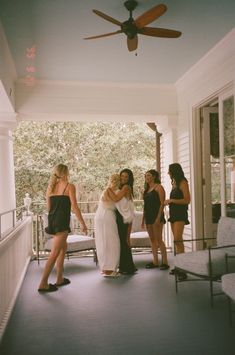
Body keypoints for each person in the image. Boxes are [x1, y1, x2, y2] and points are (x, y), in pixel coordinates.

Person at [38, 164, 87, 292]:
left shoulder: (50, 187)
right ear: (66, 173)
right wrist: (82, 223)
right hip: (61, 221)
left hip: (53, 220)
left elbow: (49, 208)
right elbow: (74, 207)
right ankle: (43, 283)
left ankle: (60, 278)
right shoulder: (69, 186)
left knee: (62, 248)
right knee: (54, 253)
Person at [108, 168, 137, 275]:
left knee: (123, 241)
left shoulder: (126, 187)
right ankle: (125, 266)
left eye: (126, 177)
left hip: (124, 218)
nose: (123, 178)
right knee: (121, 241)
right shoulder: (120, 187)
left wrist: (108, 189)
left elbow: (115, 199)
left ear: (129, 179)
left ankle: (127, 267)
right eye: (122, 176)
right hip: (120, 216)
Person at [164, 163, 190, 280]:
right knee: (177, 242)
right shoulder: (174, 183)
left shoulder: (183, 182)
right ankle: (179, 266)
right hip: (173, 214)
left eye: (170, 171)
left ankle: (183, 269)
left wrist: (172, 200)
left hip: (180, 214)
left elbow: (187, 200)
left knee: (177, 240)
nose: (168, 173)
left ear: (174, 171)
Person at [94, 174, 121, 277]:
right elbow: (117, 203)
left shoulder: (106, 190)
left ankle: (104, 268)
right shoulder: (117, 192)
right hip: (108, 216)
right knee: (112, 241)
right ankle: (110, 269)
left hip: (99, 215)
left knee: (102, 241)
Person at [142, 169, 169, 270]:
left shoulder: (159, 187)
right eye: (145, 176)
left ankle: (165, 262)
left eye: (148, 176)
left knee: (159, 240)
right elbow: (145, 206)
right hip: (148, 217)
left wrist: (158, 218)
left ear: (154, 176)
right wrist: (143, 220)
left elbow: (162, 204)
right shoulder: (147, 189)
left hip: (157, 216)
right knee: (152, 240)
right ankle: (155, 261)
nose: (146, 178)